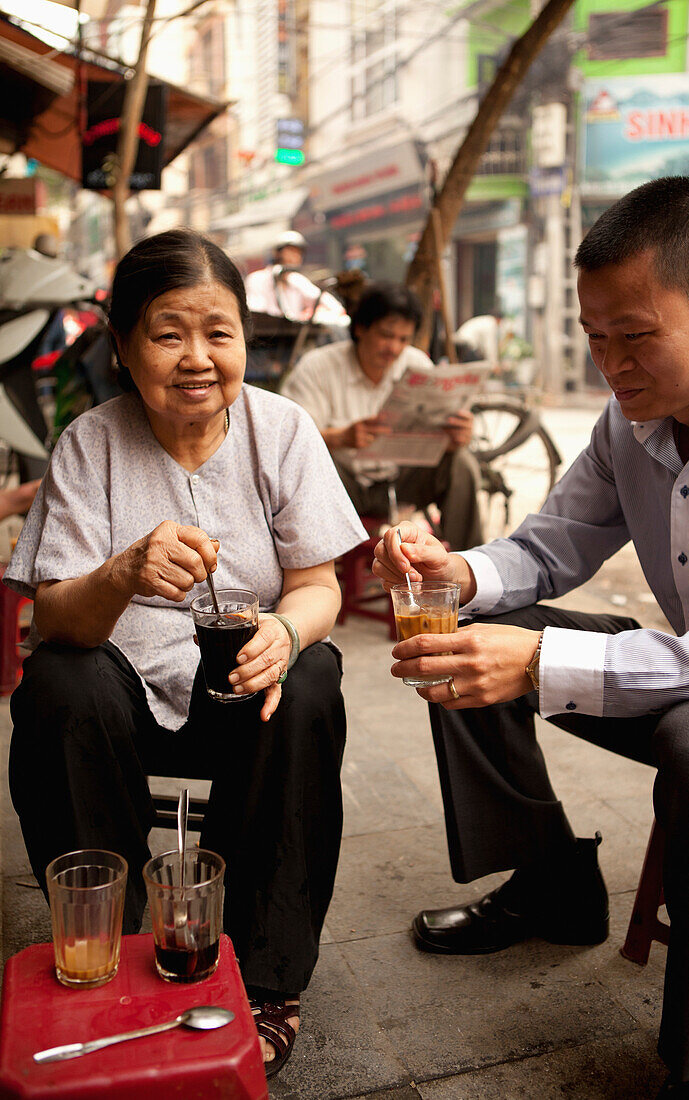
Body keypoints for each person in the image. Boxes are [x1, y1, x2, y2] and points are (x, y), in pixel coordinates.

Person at [372, 176, 689, 1099]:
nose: (611, 364)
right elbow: (553, 544)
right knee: (463, 634)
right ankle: (550, 882)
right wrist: (450, 573)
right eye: (594, 337)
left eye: (636, 335)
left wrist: (544, 660)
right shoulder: (630, 422)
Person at [3, 228, 367, 1079]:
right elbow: (54, 617)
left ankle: (270, 975)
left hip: (239, 700)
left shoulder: (281, 431)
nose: (198, 358)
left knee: (312, 672)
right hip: (120, 702)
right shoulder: (88, 443)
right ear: (125, 348)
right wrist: (126, 570)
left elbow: (320, 587)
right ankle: (109, 945)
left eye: (220, 332)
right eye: (168, 334)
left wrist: (284, 628)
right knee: (60, 681)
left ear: (244, 337)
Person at [281, 281, 484, 552]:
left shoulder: (416, 365)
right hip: (340, 486)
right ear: (361, 329)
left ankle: (467, 567)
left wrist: (455, 437)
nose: (394, 348)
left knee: (462, 464)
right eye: (386, 335)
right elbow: (287, 442)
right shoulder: (317, 368)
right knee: (311, 462)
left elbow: (436, 436)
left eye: (403, 339)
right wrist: (339, 437)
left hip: (400, 480)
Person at [244, 230, 347, 325]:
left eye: (299, 252)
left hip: (295, 337)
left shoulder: (296, 280)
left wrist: (315, 313)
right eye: (291, 251)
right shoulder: (257, 279)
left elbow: (330, 304)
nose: (295, 256)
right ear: (277, 253)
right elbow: (255, 313)